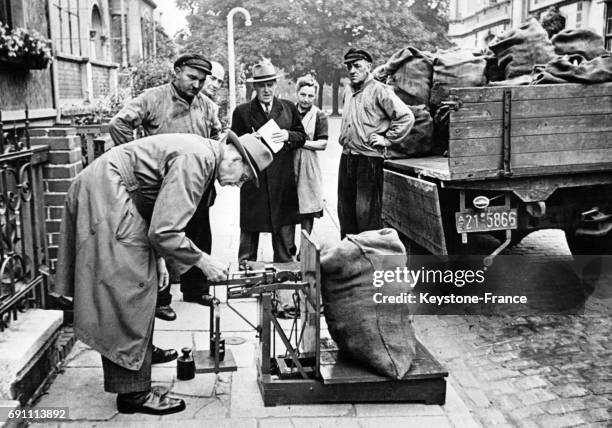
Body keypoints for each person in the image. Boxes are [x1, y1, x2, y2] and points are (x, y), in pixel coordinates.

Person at [54, 131, 273, 415]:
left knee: (142, 277)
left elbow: (157, 213)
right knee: (129, 285)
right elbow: (164, 231)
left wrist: (158, 259)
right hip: (107, 193)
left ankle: (137, 360)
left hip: (111, 190)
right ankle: (132, 392)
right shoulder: (197, 161)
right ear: (233, 156)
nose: (238, 185)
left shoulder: (204, 155)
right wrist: (202, 261)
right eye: (243, 177)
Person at [109, 53, 223, 329]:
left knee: (198, 235)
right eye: (191, 78)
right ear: (176, 72)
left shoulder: (207, 106)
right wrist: (135, 160)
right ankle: (161, 298)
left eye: (201, 80)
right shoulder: (153, 98)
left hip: (197, 185)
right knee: (159, 241)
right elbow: (119, 123)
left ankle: (196, 289)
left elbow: (217, 134)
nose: (196, 85)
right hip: (160, 187)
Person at [231, 60, 307, 263]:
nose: (267, 89)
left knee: (284, 236)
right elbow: (233, 147)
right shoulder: (242, 112)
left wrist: (287, 135)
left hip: (282, 181)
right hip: (254, 181)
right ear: (254, 87)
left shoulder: (289, 108)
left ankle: (286, 276)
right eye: (262, 85)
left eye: (270, 84)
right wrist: (248, 141)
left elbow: (302, 136)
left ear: (276, 85)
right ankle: (246, 276)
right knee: (249, 234)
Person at [338, 48, 415, 238]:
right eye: (349, 66)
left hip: (369, 161)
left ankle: (368, 262)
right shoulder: (348, 90)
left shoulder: (380, 91)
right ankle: (348, 259)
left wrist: (387, 139)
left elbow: (406, 117)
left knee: (366, 215)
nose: (352, 70)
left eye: (357, 66)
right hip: (347, 158)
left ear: (368, 67)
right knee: (345, 212)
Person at [294, 75, 328, 236]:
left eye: (310, 96)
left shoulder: (319, 115)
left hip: (308, 165)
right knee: (288, 205)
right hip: (289, 162)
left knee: (308, 205)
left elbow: (322, 143)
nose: (306, 99)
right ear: (297, 93)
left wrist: (301, 142)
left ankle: (305, 249)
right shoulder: (288, 111)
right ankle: (288, 250)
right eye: (303, 94)